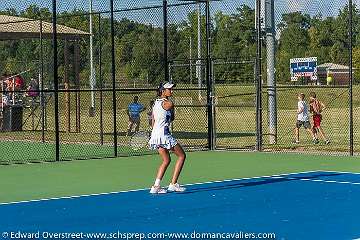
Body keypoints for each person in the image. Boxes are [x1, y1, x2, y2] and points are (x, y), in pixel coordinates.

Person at [149, 82, 186, 194]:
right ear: (163, 91)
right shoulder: (169, 103)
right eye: (169, 89)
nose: (172, 91)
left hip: (155, 135)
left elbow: (152, 122)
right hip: (164, 135)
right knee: (182, 156)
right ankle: (173, 184)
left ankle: (155, 186)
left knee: (166, 160)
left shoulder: (155, 103)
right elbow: (172, 117)